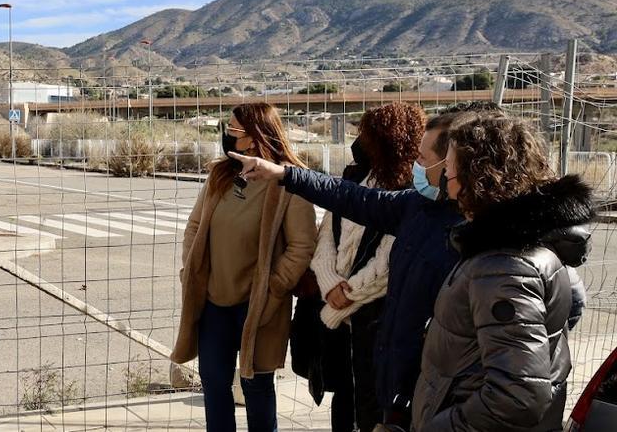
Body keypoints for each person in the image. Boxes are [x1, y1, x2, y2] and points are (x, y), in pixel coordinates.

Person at [229, 102, 494, 428]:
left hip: (438, 396)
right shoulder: (419, 206)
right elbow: (350, 199)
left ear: (457, 164)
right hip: (399, 383)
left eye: (424, 158)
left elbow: (510, 377)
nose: (417, 164)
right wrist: (285, 174)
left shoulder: (489, 245)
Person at [410, 114, 593, 430]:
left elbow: (516, 395)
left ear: (479, 178)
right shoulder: (505, 251)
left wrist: (441, 426)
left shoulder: (506, 268)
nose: (446, 185)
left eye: (450, 173)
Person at [172, 103, 318, 432]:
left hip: (260, 305)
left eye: (233, 129)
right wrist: (191, 269)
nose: (227, 134)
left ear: (253, 138)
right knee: (214, 385)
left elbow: (301, 246)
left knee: (257, 387)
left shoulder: (290, 183)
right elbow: (194, 227)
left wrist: (274, 288)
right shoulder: (221, 174)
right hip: (212, 303)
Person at [306, 102, 426, 432]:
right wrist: (330, 283)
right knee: (343, 400)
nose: (359, 141)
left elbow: (389, 262)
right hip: (340, 320)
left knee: (374, 405)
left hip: (376, 319)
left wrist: (348, 296)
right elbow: (325, 238)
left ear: (387, 139)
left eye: (367, 135)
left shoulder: (411, 191)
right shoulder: (355, 177)